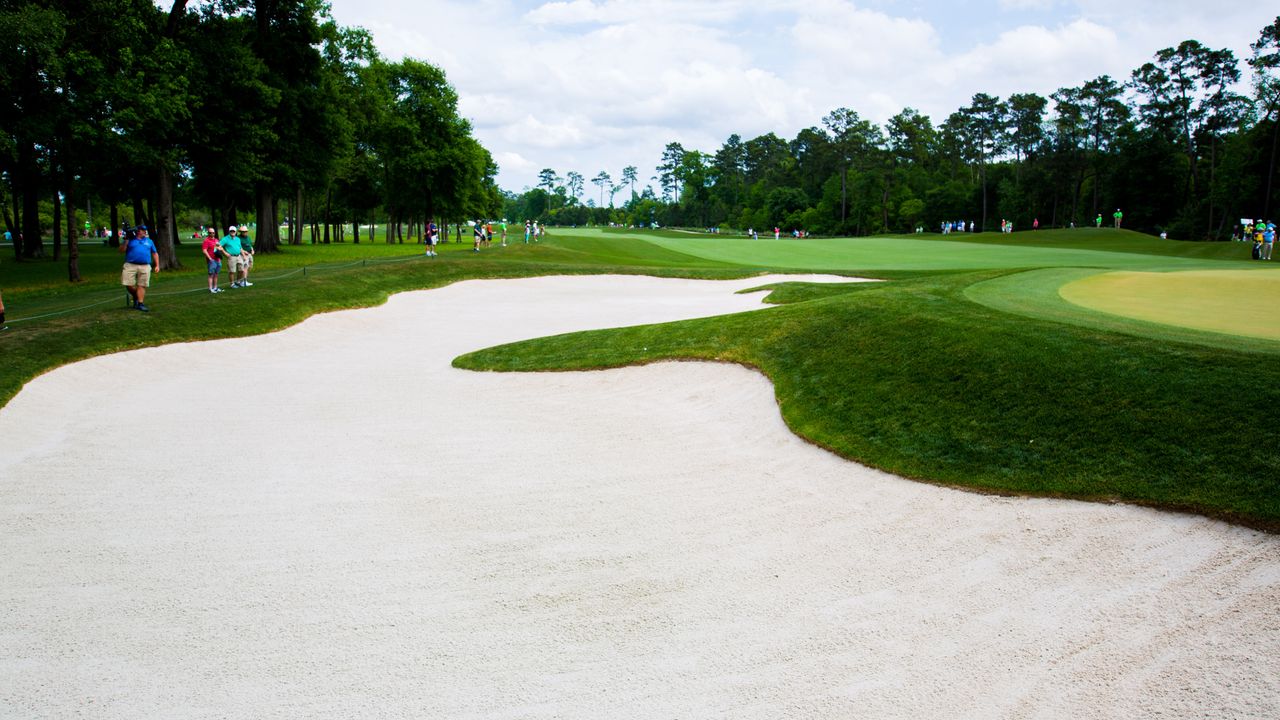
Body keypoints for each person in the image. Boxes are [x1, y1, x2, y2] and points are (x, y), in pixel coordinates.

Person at [120, 225, 159, 312]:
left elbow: (155, 253)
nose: (145, 232)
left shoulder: (149, 241)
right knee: (127, 283)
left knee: (142, 285)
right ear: (138, 231)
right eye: (143, 230)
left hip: (145, 266)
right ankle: (136, 295)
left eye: (145, 230)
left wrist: (157, 265)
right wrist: (126, 240)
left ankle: (140, 304)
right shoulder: (130, 240)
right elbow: (121, 250)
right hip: (130, 265)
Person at [201, 228, 224, 293]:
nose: (212, 234)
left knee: (216, 274)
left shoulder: (216, 240)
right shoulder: (206, 241)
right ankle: (210, 288)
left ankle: (215, 287)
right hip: (212, 260)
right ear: (208, 233)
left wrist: (220, 250)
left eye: (213, 233)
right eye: (210, 233)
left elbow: (219, 247)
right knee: (211, 274)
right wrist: (210, 258)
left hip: (217, 260)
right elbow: (204, 250)